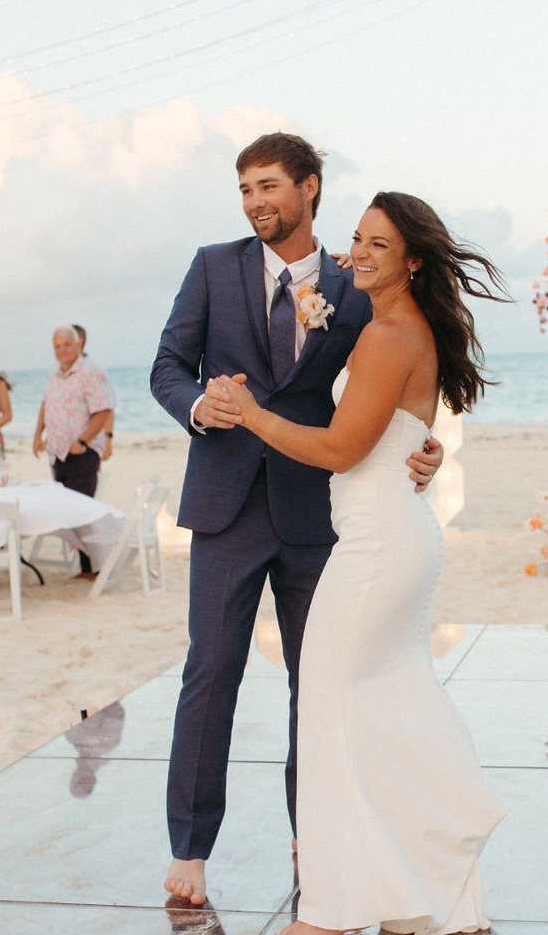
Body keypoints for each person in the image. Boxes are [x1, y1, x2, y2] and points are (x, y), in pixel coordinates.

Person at [151, 133, 444, 907]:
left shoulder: (356, 282)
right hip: (225, 504)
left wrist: (424, 443)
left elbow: (400, 376)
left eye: (270, 186)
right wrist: (198, 405)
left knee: (318, 683)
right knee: (211, 673)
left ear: (310, 188)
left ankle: (311, 830)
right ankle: (190, 845)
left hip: (319, 509)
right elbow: (167, 366)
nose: (256, 203)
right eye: (245, 189)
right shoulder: (212, 267)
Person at [214, 191, 509, 935]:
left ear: (414, 261)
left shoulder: (388, 336)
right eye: (357, 239)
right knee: (383, 707)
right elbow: (410, 431)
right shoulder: (403, 328)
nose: (361, 252)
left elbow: (343, 450)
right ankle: (422, 892)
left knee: (334, 708)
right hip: (393, 535)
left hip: (378, 546)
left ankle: (337, 907)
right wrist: (429, 451)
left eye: (381, 244)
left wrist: (250, 414)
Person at [32, 326, 114, 578]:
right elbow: (46, 404)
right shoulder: (53, 374)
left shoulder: (91, 372)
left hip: (81, 453)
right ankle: (86, 567)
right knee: (68, 509)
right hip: (58, 453)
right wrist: (38, 434)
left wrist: (83, 440)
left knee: (82, 510)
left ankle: (93, 569)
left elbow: (104, 410)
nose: (62, 350)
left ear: (78, 344)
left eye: (67, 344)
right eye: (57, 346)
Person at [72, 323, 116, 461]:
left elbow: (107, 409)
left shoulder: (94, 372)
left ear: (79, 342)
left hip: (88, 446)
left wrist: (108, 441)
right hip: (66, 447)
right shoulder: (64, 373)